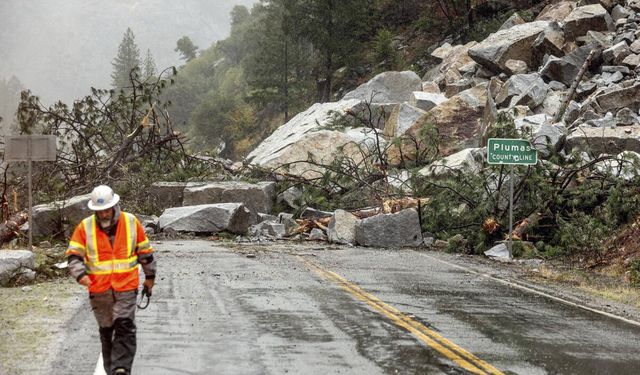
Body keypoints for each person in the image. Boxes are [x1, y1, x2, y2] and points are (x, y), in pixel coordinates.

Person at [66, 185, 156, 375]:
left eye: (107, 209)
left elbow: (145, 253)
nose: (104, 213)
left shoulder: (131, 222)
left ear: (115, 205)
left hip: (126, 287)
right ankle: (111, 369)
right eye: (100, 211)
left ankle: (121, 368)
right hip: (99, 291)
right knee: (106, 331)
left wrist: (150, 277)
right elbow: (74, 255)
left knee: (125, 327)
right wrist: (80, 275)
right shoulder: (85, 227)